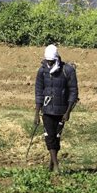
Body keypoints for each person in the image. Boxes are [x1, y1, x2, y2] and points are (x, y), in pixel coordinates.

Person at [34, 44, 78, 172]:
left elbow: (73, 91)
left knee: (57, 136)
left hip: (61, 110)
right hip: (47, 110)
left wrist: (68, 111)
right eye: (48, 61)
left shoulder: (68, 70)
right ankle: (56, 165)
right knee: (49, 136)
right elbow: (38, 91)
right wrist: (37, 113)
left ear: (57, 59)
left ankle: (51, 164)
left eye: (52, 61)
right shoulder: (42, 71)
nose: (49, 63)